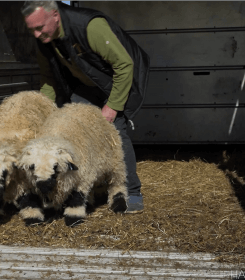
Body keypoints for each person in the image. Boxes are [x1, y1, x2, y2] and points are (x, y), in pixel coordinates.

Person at [21, 1, 150, 213]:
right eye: (32, 29)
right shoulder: (44, 38)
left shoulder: (89, 26)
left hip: (114, 81)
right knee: (74, 131)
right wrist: (46, 112)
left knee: (114, 131)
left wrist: (112, 106)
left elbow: (124, 65)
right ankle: (82, 188)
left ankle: (131, 191)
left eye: (39, 27)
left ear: (55, 15)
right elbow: (48, 78)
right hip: (85, 85)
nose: (36, 35)